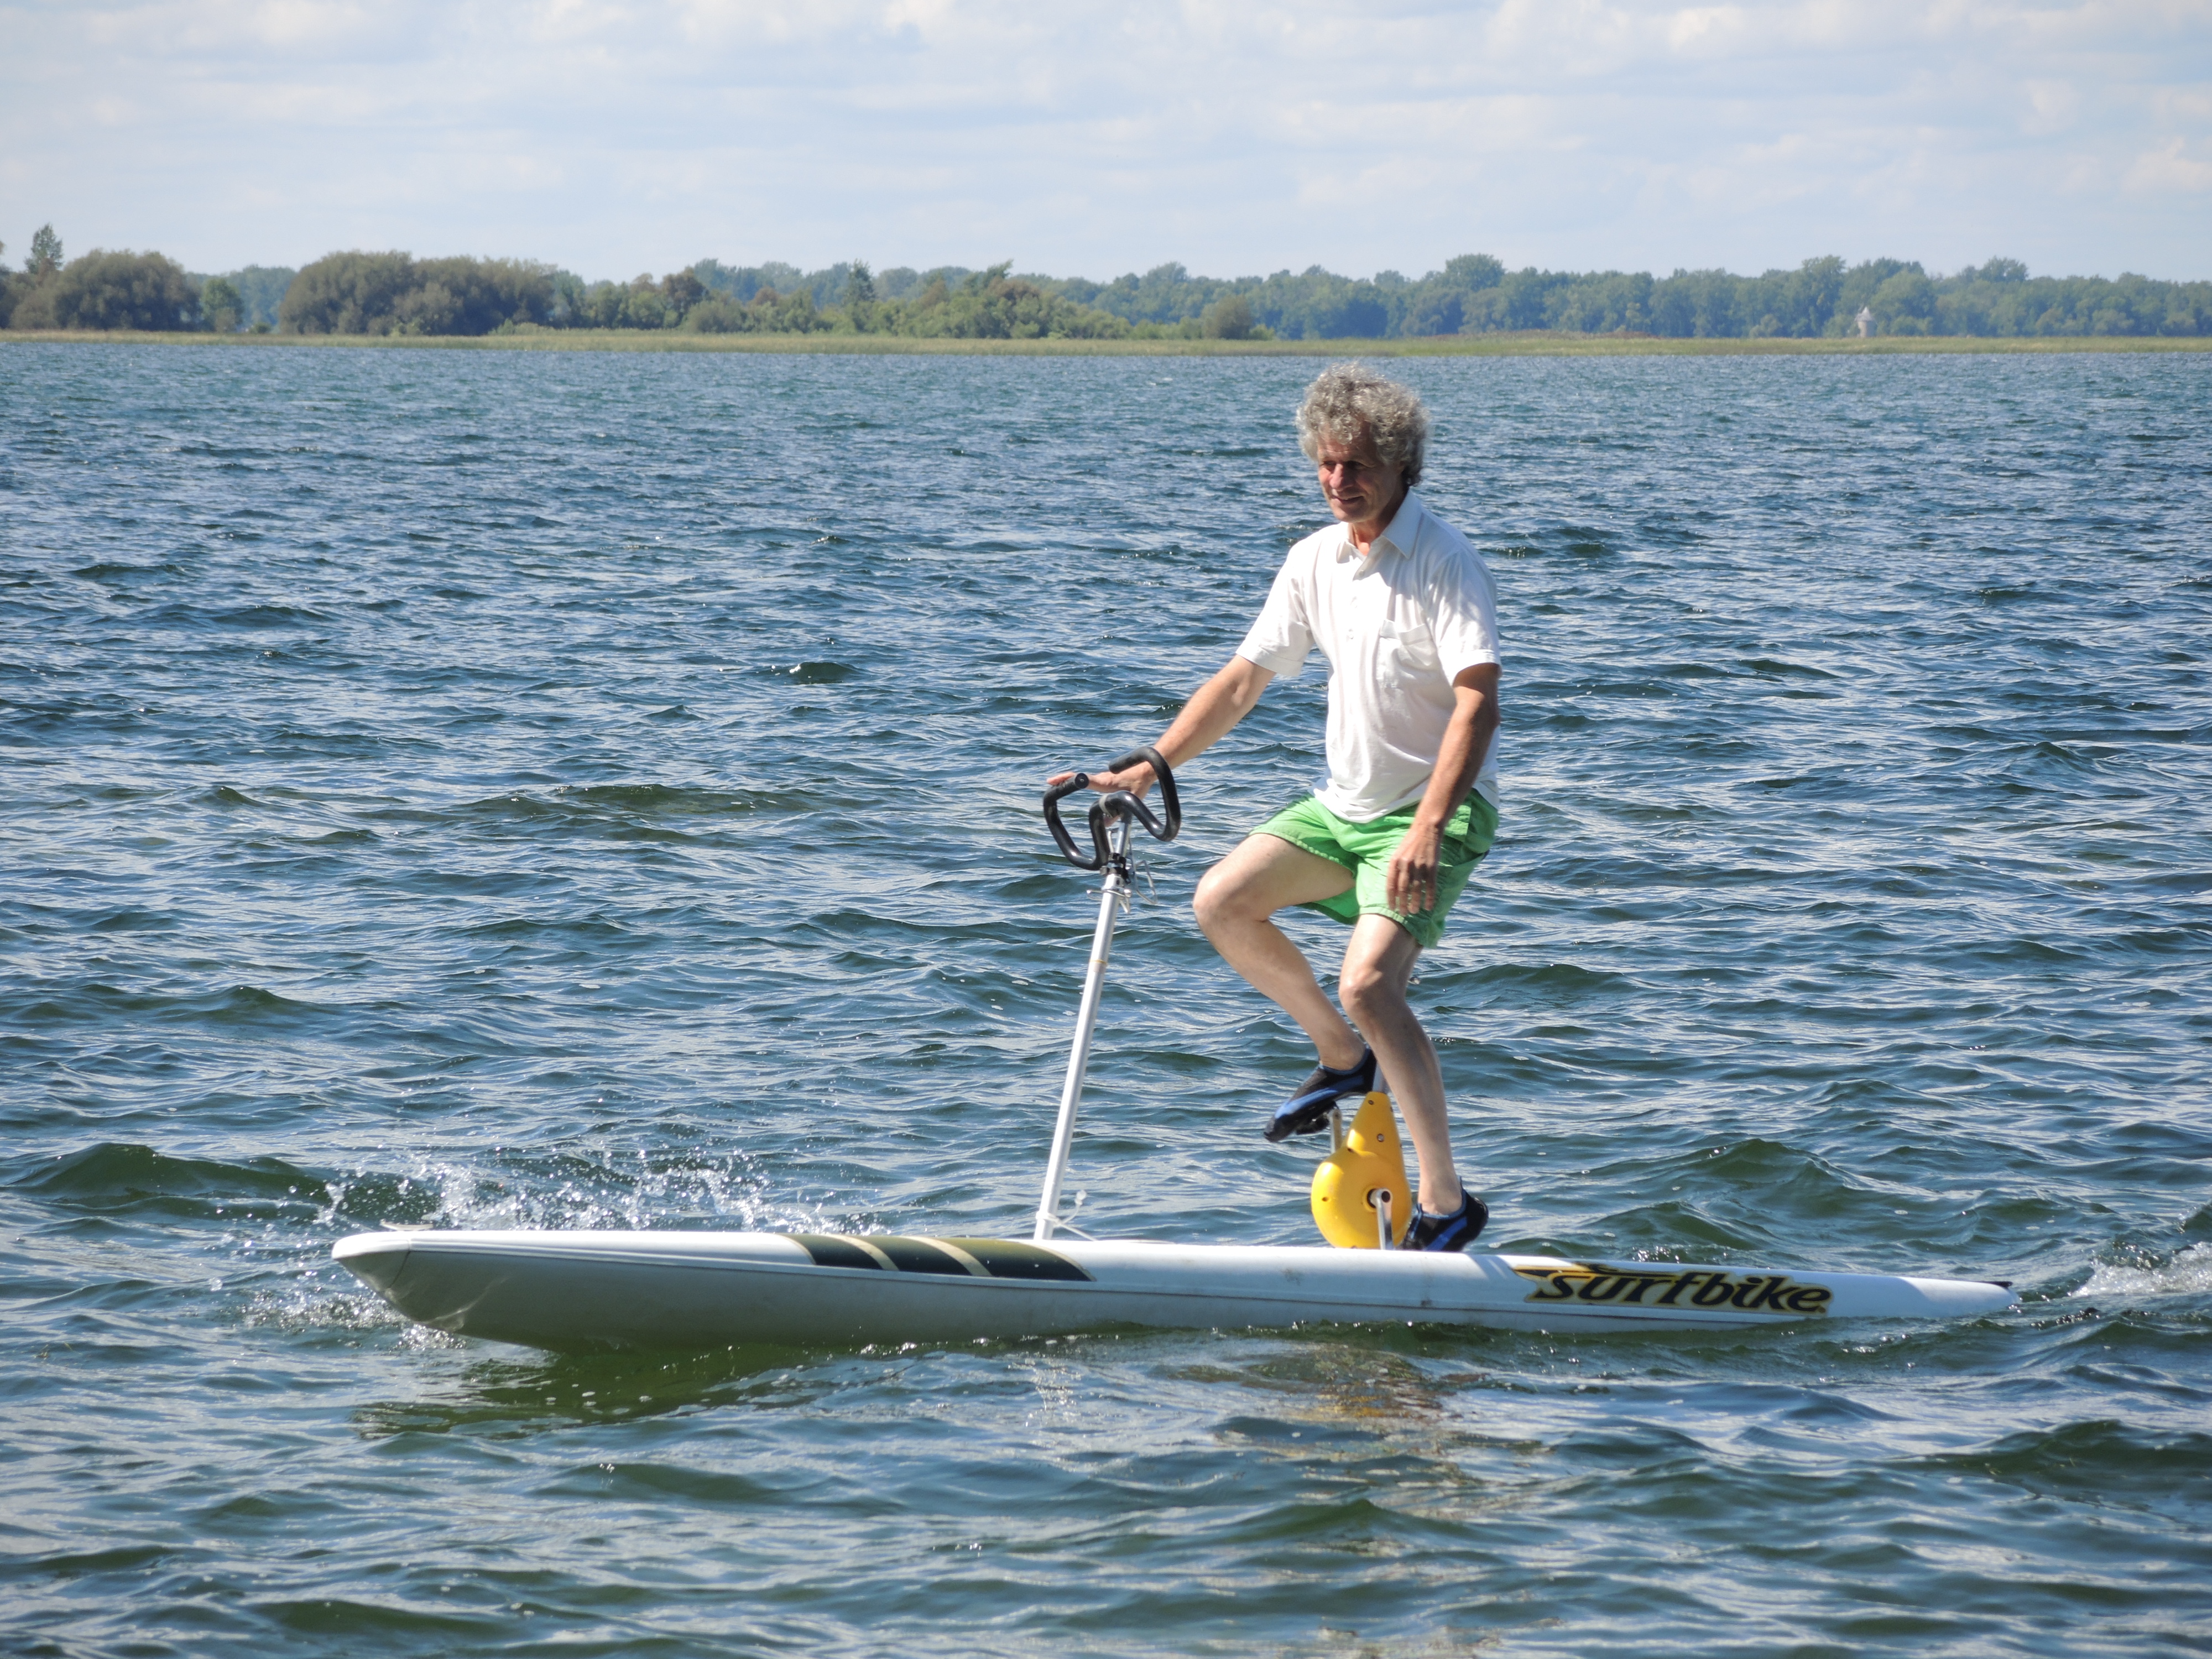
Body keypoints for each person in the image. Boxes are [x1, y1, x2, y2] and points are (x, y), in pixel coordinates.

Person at [1054, 362, 1503, 1251]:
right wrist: (1152, 763)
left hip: (1434, 815)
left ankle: (1449, 1206)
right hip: (1342, 809)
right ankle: (1343, 1059)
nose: (1341, 481)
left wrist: (1423, 828)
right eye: (1328, 464)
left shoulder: (1446, 560)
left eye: (1359, 464)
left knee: (1371, 981)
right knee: (1221, 901)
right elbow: (1244, 682)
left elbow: (1478, 702)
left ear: (1403, 464)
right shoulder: (1313, 560)